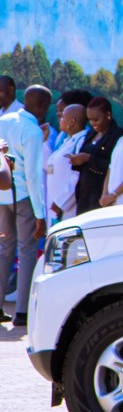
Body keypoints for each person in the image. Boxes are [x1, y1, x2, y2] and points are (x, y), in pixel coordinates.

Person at [0, 85, 52, 323]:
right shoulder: (32, 132)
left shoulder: (5, 119)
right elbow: (32, 176)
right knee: (27, 251)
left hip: (2, 196)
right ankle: (22, 311)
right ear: (42, 106)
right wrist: (40, 215)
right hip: (23, 198)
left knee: (4, 251)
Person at [70, 97, 121, 214]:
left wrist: (89, 159)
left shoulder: (118, 136)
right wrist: (76, 160)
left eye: (96, 119)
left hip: (100, 193)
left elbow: (113, 166)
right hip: (83, 193)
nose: (93, 123)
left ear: (108, 115)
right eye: (90, 120)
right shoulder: (91, 133)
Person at [44, 103, 86, 223]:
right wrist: (45, 142)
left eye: (63, 117)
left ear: (72, 121)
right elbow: (49, 167)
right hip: (55, 204)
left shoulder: (81, 141)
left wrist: (62, 202)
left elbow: (77, 176)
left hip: (67, 206)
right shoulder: (66, 141)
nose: (60, 120)